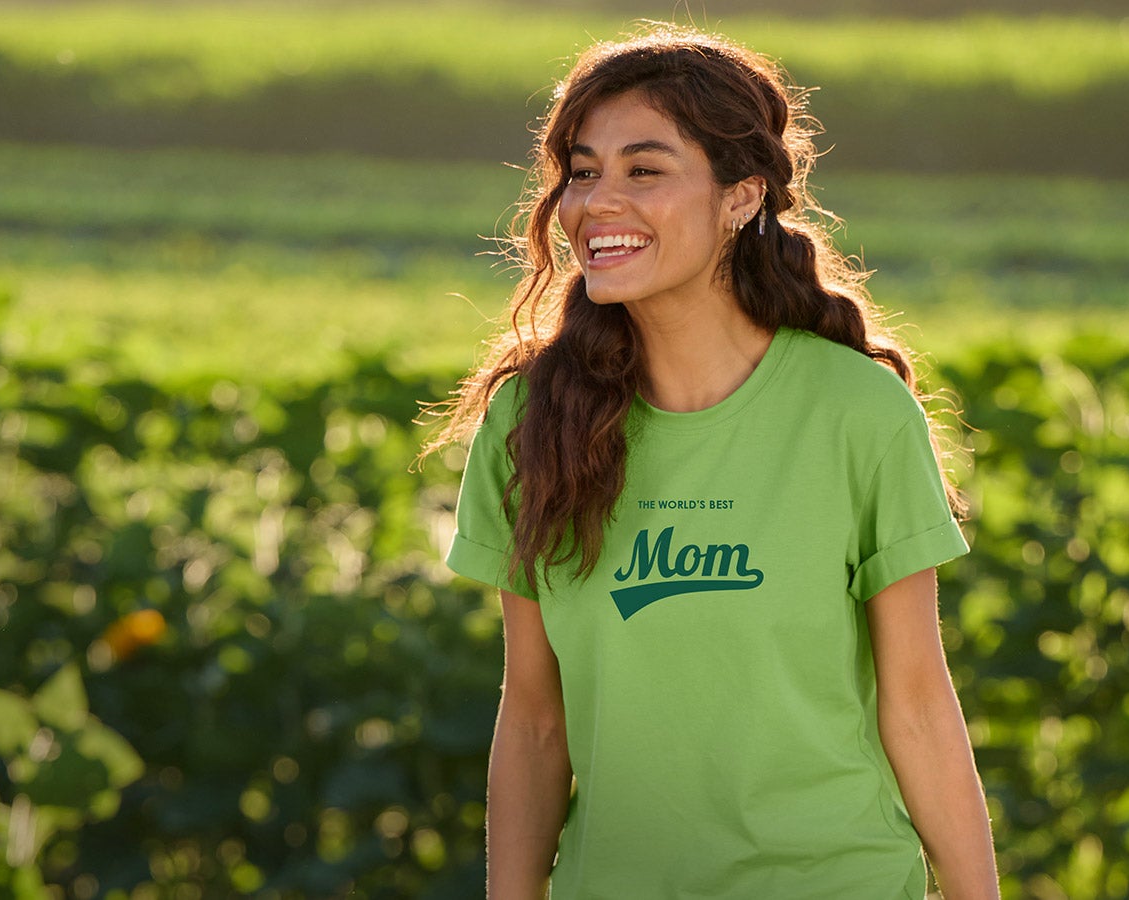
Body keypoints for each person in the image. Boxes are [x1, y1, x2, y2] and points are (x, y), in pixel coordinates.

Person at [422, 23, 999, 900]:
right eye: (583, 171)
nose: (596, 203)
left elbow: (918, 705)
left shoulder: (857, 412)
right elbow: (537, 719)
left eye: (643, 170)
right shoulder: (530, 420)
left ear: (741, 197)